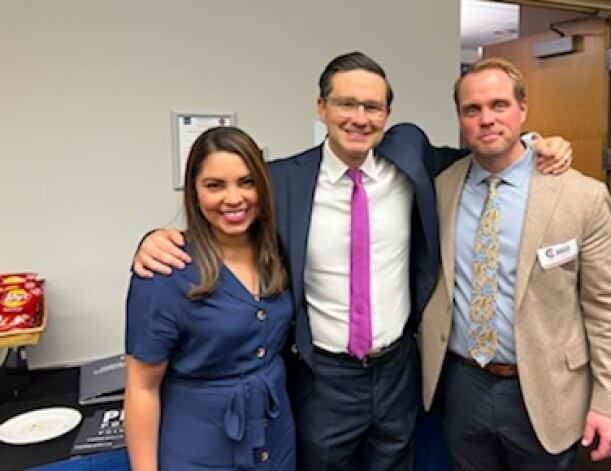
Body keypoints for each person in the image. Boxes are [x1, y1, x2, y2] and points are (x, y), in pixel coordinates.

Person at [131, 52, 572, 471]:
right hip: (324, 377)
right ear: (322, 107)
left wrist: (535, 143)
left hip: (398, 368)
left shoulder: (411, 158)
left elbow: (481, 155)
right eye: (346, 103)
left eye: (373, 107)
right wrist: (155, 239)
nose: (360, 117)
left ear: (387, 115)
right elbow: (229, 213)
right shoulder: (281, 180)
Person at [418, 57, 611, 471]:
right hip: (463, 384)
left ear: (523, 109)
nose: (486, 119)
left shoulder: (580, 196)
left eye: (499, 105)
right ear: (460, 118)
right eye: (472, 109)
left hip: (547, 389)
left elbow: (610, 307)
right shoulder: (441, 187)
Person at [124, 126, 295, 471]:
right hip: (201, 450)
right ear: (194, 192)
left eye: (246, 182)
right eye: (215, 185)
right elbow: (142, 388)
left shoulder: (279, 251)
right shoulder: (165, 270)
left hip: (276, 441)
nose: (234, 199)